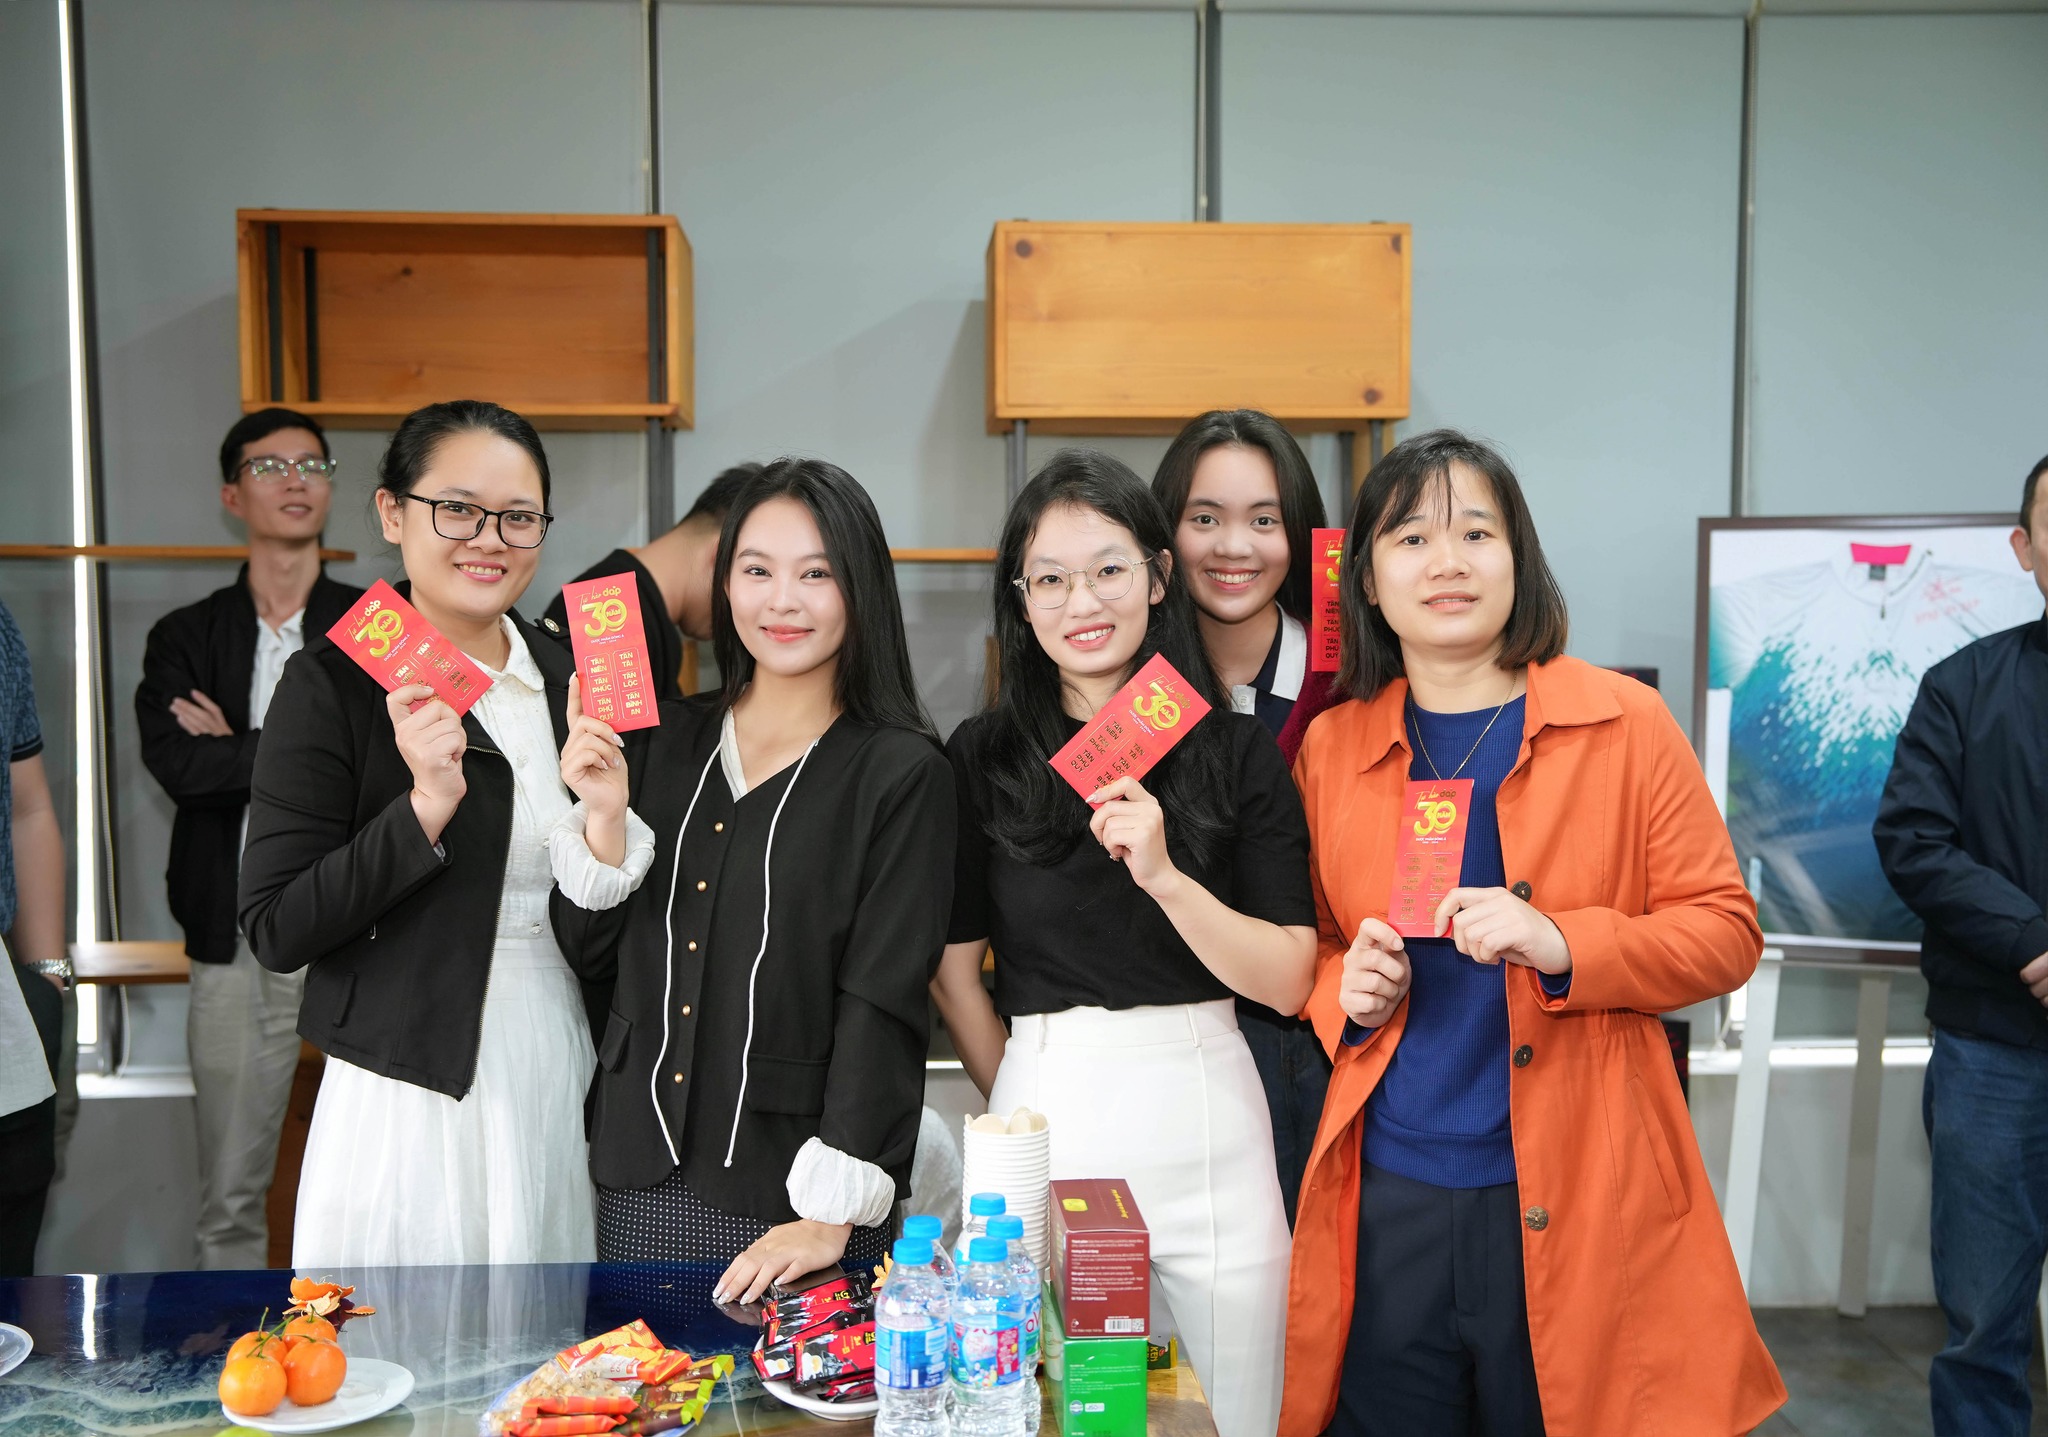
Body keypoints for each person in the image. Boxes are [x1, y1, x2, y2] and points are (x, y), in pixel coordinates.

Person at [1281, 430, 1783, 1437]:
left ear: (1519, 559)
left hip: (1579, 1187)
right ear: (1366, 581)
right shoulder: (1332, 747)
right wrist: (1347, 987)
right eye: (1412, 539)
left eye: (1477, 533)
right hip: (1387, 1192)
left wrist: (1563, 942)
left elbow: (1726, 932)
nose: (1448, 562)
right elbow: (1318, 942)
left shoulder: (1625, 723)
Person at [930, 448, 1316, 1437]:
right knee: (1053, 1412)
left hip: (1208, 1110)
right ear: (1020, 601)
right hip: (1046, 1106)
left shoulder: (1236, 753)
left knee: (1236, 1411)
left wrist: (1166, 876)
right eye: (1048, 579)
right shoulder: (981, 756)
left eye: (1107, 569)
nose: (1081, 601)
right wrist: (1020, 1100)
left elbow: (1287, 979)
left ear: (1156, 576)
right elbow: (954, 974)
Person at [547, 457, 954, 1302]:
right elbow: (589, 958)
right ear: (724, 581)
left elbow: (883, 996)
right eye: (757, 570)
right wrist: (605, 819)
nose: (782, 600)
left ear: (861, 586)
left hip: (800, 1197)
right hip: (637, 1180)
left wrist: (830, 1213)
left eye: (817, 574)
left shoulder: (902, 771)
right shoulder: (658, 740)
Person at [239, 399, 595, 1267]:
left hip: (563, 1059)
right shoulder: (332, 684)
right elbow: (277, 924)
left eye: (518, 516)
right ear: (393, 513)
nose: (489, 539)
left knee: (553, 1332)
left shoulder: (573, 677)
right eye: (458, 509)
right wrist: (423, 807)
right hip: (405, 1088)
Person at [134, 406, 362, 1269]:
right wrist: (310, 750)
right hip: (233, 936)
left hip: (363, 933)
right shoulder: (185, 636)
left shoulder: (375, 625)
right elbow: (180, 768)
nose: (296, 480)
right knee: (230, 1192)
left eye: (312, 465)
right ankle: (236, 1346)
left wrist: (239, 745)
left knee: (377, 1178)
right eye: (270, 467)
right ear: (232, 495)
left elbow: (388, 772)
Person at [1875, 453, 2048, 1436]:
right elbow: (1913, 840)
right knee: (1984, 1326)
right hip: (1994, 1049)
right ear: (2024, 548)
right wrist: (2032, 944)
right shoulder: (1962, 687)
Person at [1153, 407, 1341, 1227]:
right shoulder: (1129, 693)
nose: (1235, 547)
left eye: (1265, 520)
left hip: (1328, 1040)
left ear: (1300, 534)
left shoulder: (1355, 681)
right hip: (1170, 1050)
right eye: (1205, 518)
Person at [540, 463, 763, 700]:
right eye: (756, 572)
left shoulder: (642, 612)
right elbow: (614, 726)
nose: (736, 621)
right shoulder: (608, 604)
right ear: (722, 557)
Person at [0, 599, 66, 1276]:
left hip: (7, 1001)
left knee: (13, 1233)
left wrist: (48, 981)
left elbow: (28, 804)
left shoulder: (0, 627)